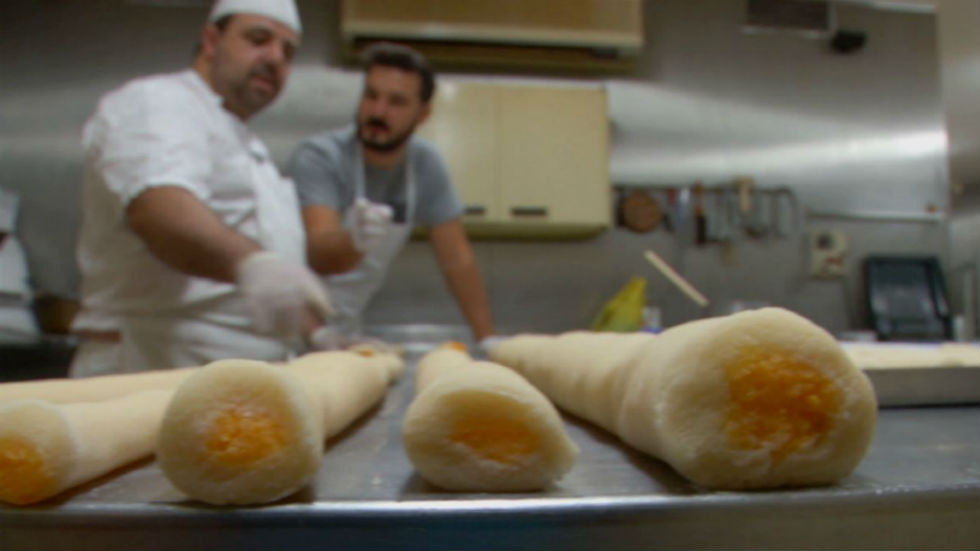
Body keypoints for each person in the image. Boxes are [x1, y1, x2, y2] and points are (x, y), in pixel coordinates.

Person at [70, 0, 331, 377]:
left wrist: (316, 332)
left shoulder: (247, 145)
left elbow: (267, 284)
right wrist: (252, 264)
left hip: (234, 379)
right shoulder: (160, 103)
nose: (275, 58)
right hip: (151, 370)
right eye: (258, 39)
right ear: (211, 40)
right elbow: (158, 208)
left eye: (288, 52)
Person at [288, 43, 498, 350]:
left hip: (345, 328)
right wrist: (354, 241)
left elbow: (457, 260)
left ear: (423, 113)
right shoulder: (322, 157)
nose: (378, 112)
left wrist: (487, 339)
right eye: (371, 95)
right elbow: (320, 255)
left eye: (396, 102)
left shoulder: (425, 165)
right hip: (290, 325)